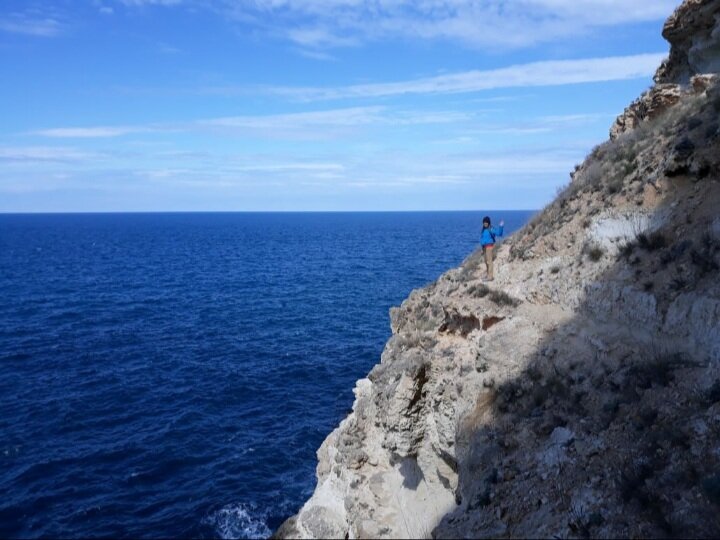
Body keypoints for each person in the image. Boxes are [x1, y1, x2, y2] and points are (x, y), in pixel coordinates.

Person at [480, 216, 504, 281]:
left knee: (489, 262)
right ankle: (488, 275)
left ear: (488, 222)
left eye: (486, 222)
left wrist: (501, 226)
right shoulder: (483, 230)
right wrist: (482, 248)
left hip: (489, 247)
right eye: (484, 222)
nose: (485, 223)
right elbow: (482, 239)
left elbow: (499, 234)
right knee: (486, 262)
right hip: (484, 248)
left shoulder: (491, 229)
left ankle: (490, 277)